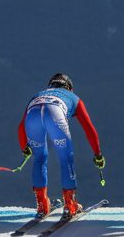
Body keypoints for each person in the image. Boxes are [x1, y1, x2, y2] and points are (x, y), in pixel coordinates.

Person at [17, 73, 103, 217]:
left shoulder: (37, 95)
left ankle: (42, 205)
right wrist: (98, 154)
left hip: (33, 116)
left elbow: (21, 126)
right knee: (66, 158)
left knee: (39, 158)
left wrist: (24, 147)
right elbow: (89, 129)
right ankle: (70, 205)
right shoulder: (73, 98)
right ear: (69, 87)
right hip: (55, 114)